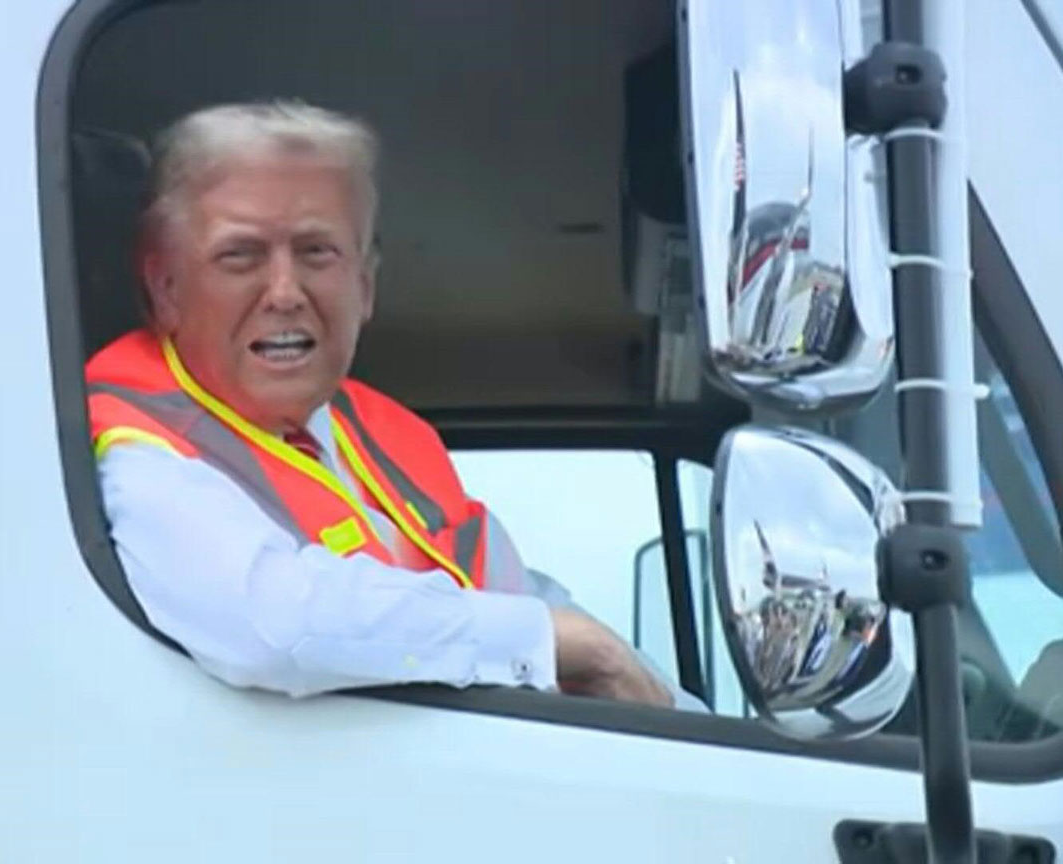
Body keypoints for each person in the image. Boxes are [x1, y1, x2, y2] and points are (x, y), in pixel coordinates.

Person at [87, 100, 688, 708]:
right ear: (165, 289)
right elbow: (274, 625)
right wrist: (546, 641)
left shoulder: (384, 438)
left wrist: (679, 718)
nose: (285, 292)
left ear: (365, 286)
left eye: (317, 252)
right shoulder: (132, 444)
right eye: (240, 256)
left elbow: (528, 599)